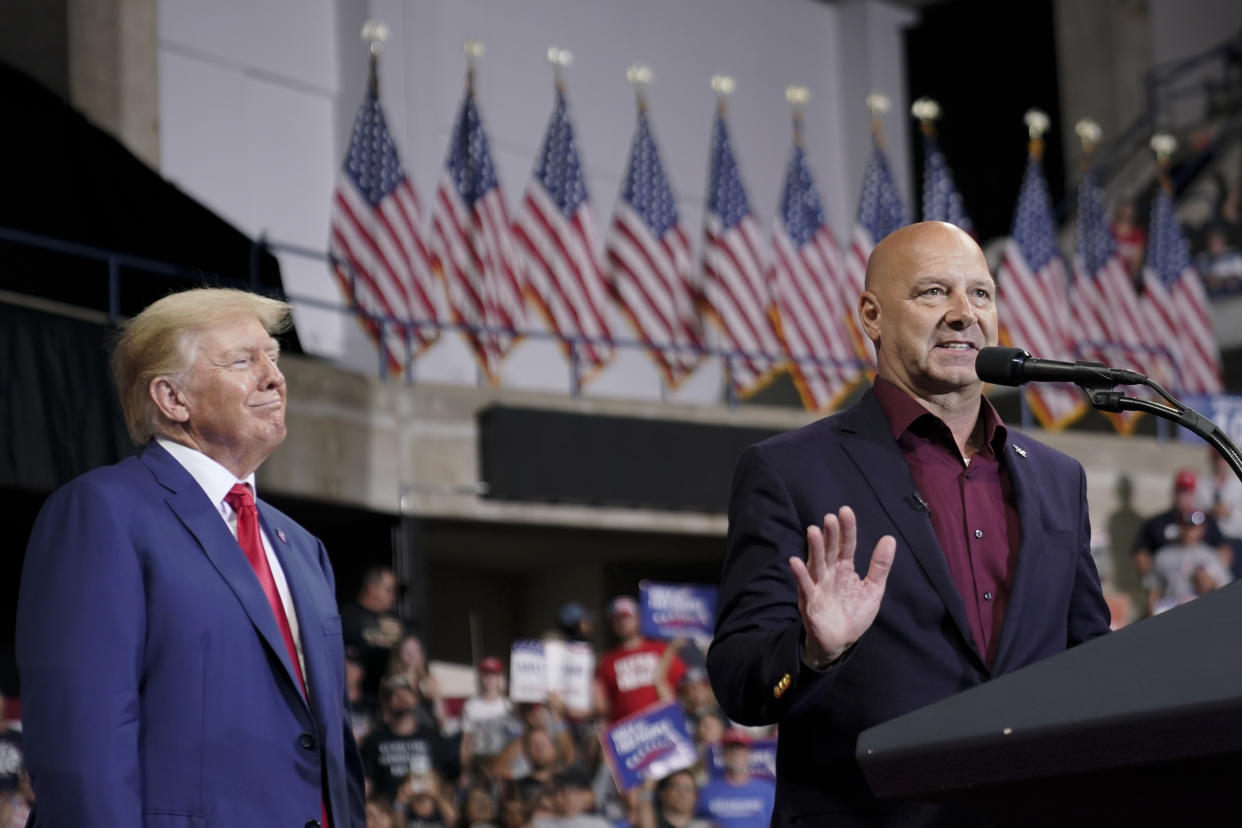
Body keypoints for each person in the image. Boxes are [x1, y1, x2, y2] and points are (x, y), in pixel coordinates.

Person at [706, 222, 1111, 825]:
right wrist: (814, 652)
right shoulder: (787, 471)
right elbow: (741, 681)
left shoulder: (1058, 478)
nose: (963, 314)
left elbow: (1091, 665)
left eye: (980, 294)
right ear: (871, 316)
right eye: (932, 293)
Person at [16, 288, 365, 826]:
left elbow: (332, 748)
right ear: (172, 398)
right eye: (244, 360)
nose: (274, 376)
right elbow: (81, 744)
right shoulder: (104, 513)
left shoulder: (304, 548)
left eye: (272, 356)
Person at [594, 597, 686, 724]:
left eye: (626, 617)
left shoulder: (662, 650)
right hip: (629, 733)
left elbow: (683, 684)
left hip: (664, 725)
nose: (621, 622)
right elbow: (603, 706)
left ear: (638, 618)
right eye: (616, 619)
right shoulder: (606, 662)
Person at [1133, 469, 1232, 582]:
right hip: (1170, 582)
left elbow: (1224, 550)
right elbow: (1141, 552)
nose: (1182, 496)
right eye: (1180, 491)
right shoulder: (1157, 524)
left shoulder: (1205, 520)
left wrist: (1213, 575)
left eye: (1187, 492)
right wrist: (1153, 580)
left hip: (1200, 585)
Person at [1145, 509, 1233, 614]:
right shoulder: (1163, 555)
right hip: (1171, 609)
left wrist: (1209, 583)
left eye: (1193, 528)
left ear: (1201, 530)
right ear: (1179, 527)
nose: (1189, 532)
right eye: (1185, 527)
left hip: (1201, 611)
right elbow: (1153, 591)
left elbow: (1224, 589)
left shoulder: (1210, 555)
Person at [343, 566, 406, 698]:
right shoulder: (346, 617)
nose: (393, 597)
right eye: (388, 590)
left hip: (390, 698)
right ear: (372, 588)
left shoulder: (396, 621)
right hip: (356, 698)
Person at [694, 731, 774, 828]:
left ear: (748, 754)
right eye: (731, 749)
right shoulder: (705, 791)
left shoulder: (768, 791)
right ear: (722, 754)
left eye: (740, 749)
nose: (736, 753)